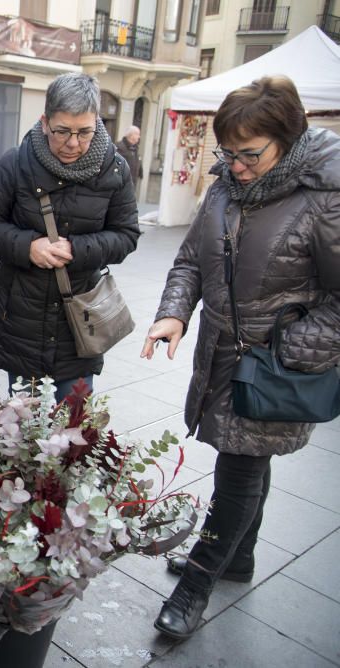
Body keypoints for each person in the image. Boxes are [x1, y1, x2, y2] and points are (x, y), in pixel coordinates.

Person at [142, 76, 340, 641]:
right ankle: (241, 557)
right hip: (222, 352)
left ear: (289, 138)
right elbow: (188, 261)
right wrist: (174, 313)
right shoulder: (226, 186)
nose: (235, 165)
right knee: (248, 459)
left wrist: (290, 347)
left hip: (276, 360)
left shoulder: (327, 196)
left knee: (238, 467)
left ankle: (197, 584)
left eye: (249, 154)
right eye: (227, 153)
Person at [0, 72, 140, 402]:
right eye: (62, 131)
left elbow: (126, 235)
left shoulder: (115, 170)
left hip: (81, 320)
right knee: (19, 431)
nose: (73, 143)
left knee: (74, 430)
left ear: (97, 122)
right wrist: (27, 246)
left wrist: (78, 249)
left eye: (84, 132)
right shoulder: (16, 163)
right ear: (45, 121)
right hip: (21, 315)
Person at [115, 125, 143, 196]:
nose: (139, 137)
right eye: (138, 134)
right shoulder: (119, 147)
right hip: (121, 184)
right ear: (132, 135)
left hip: (132, 182)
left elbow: (137, 160)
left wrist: (140, 172)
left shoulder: (135, 147)